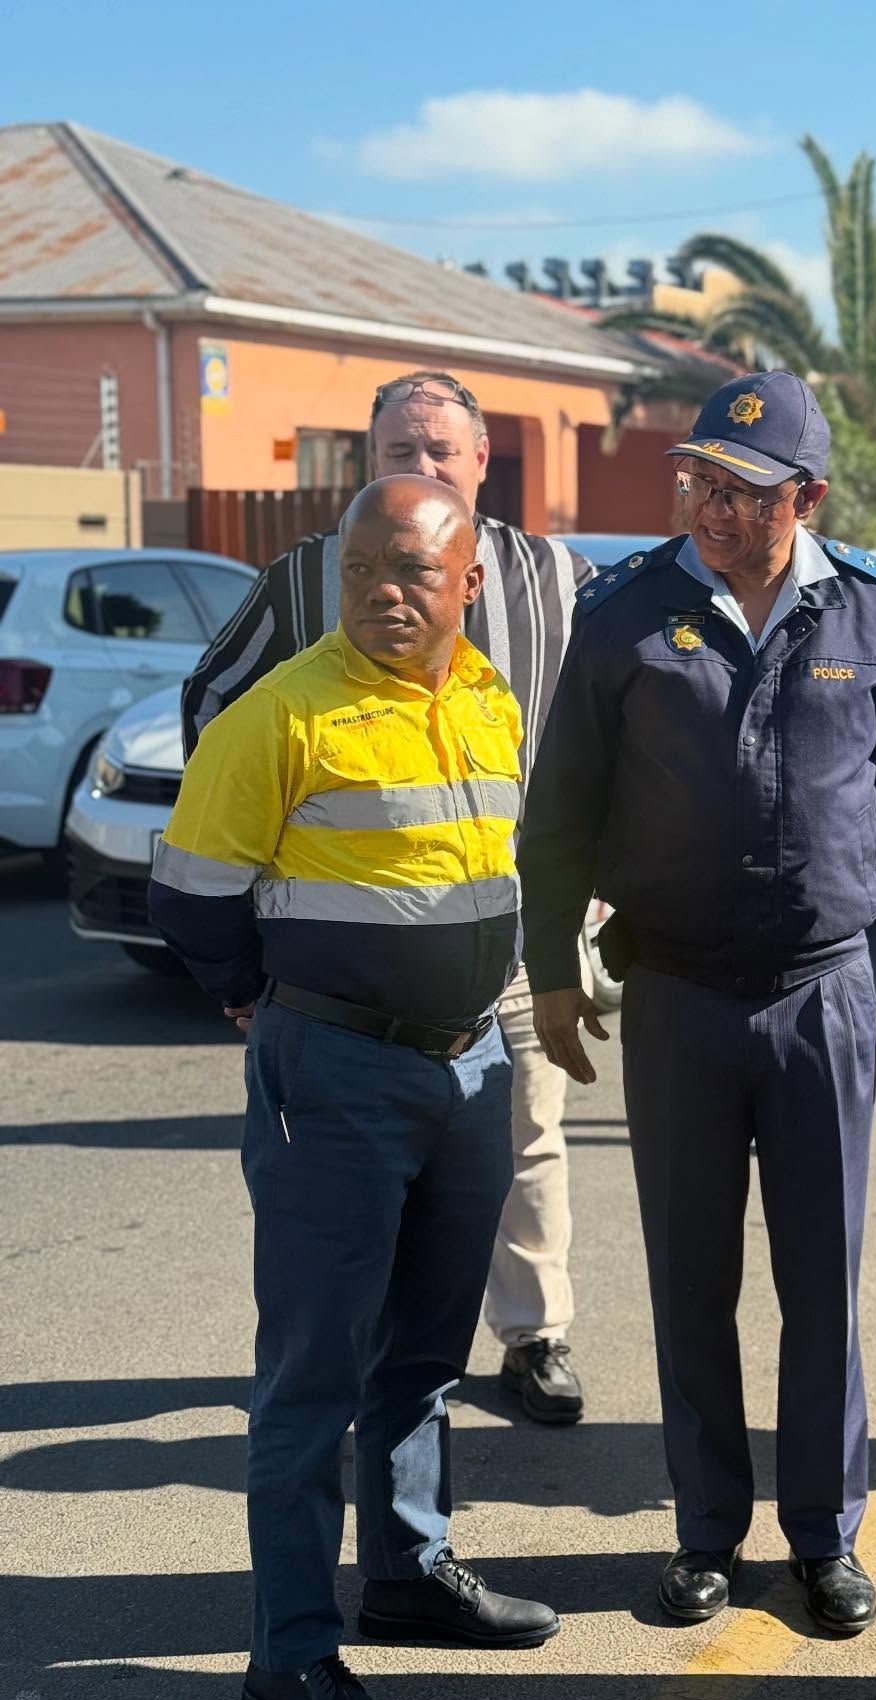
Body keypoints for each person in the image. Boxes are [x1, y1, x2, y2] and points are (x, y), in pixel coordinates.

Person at [518, 371, 876, 1635]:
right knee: (691, 1279)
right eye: (698, 482)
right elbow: (558, 815)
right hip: (676, 996)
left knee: (821, 1278)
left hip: (824, 998)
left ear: (806, 498)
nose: (709, 508)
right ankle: (706, 1530)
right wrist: (554, 966)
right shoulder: (626, 615)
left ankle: (823, 1535)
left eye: (740, 491)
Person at [151, 476, 559, 1700]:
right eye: (365, 570)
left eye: (416, 574)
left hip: (473, 1068)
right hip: (335, 1077)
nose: (388, 592)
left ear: (469, 585)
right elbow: (193, 895)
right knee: (312, 1374)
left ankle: (407, 1572)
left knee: (425, 1356)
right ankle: (290, 1654)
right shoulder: (282, 714)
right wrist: (259, 1000)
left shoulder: (491, 700)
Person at [182, 371, 592, 1426]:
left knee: (527, 1131)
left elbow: (617, 716)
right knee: (364, 1194)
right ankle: (377, 1367)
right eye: (399, 451)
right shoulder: (310, 576)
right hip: (360, 956)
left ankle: (534, 1334)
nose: (420, 467)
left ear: (482, 461)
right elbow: (217, 704)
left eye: (440, 451)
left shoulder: (556, 575)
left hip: (515, 921)